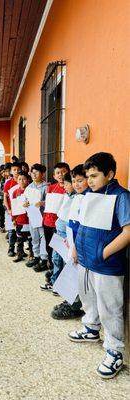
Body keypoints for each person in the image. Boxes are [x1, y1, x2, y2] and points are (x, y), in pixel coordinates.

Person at [69, 152, 130, 379]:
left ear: (110, 174)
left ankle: (114, 351)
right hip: (85, 259)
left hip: (106, 264)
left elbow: (128, 232)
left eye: (94, 176)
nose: (89, 180)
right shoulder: (89, 195)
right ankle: (91, 328)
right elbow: (81, 224)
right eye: (88, 176)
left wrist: (102, 253)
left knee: (110, 307)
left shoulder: (122, 196)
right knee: (89, 298)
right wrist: (77, 248)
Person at [51, 164, 88, 319]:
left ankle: (74, 305)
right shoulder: (78, 197)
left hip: (79, 246)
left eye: (80, 180)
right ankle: (70, 300)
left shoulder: (88, 198)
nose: (76, 184)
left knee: (76, 274)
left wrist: (75, 246)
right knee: (71, 271)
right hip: (71, 242)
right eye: (73, 181)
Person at [40, 172, 75, 293]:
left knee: (66, 260)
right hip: (59, 231)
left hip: (66, 234)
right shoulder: (67, 195)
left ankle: (63, 286)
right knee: (56, 258)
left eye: (66, 184)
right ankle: (55, 283)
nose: (64, 186)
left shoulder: (76, 198)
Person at [36, 162, 70, 273]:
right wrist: (43, 203)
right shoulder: (51, 188)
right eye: (58, 173)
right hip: (48, 222)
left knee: (60, 250)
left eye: (63, 172)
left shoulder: (69, 188)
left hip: (59, 225)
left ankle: (59, 271)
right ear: (54, 176)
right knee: (49, 246)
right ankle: (51, 268)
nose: (61, 175)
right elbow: (49, 203)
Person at [25, 163, 49, 269]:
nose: (34, 175)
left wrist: (42, 203)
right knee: (34, 237)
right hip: (32, 215)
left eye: (37, 173)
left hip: (42, 216)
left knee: (43, 237)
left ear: (43, 174)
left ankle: (43, 258)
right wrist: (25, 203)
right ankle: (36, 256)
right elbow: (25, 200)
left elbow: (51, 202)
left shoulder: (46, 187)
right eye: (32, 173)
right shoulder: (29, 187)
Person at [11, 172, 31, 262]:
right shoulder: (15, 192)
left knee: (31, 239)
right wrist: (13, 219)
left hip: (30, 220)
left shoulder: (31, 191)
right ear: (17, 180)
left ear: (28, 180)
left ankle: (32, 255)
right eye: (19, 179)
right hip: (19, 220)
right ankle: (20, 254)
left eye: (24, 179)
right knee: (19, 239)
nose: (22, 181)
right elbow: (14, 206)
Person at [3, 162, 21, 256]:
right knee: (11, 230)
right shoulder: (8, 182)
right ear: (11, 171)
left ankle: (20, 250)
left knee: (20, 231)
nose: (16, 171)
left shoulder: (23, 180)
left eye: (18, 169)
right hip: (11, 210)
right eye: (14, 170)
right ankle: (11, 249)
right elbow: (5, 197)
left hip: (21, 211)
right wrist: (8, 209)